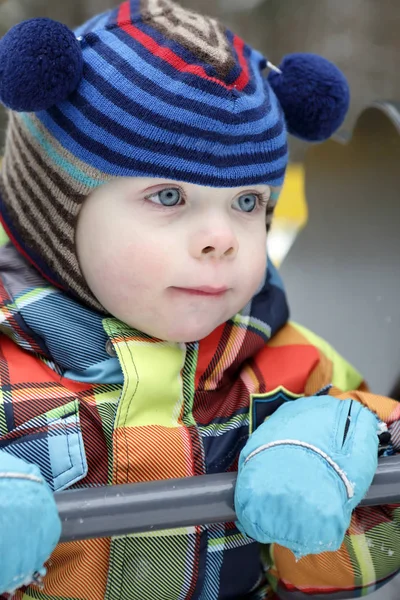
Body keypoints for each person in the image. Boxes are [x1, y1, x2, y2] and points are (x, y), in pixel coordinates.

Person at [0, 1, 398, 598]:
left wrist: (346, 458)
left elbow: (365, 569)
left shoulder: (293, 370)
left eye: (246, 203)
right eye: (167, 196)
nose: (221, 240)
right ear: (54, 213)